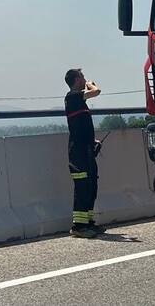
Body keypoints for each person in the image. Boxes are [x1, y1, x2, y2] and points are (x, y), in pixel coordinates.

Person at [64, 68, 102, 238]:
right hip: (78, 154)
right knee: (82, 187)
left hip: (86, 150)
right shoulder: (72, 97)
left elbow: (80, 126)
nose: (85, 79)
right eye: (83, 77)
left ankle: (88, 223)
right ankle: (78, 226)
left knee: (91, 186)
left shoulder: (79, 102)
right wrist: (91, 84)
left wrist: (92, 141)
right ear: (77, 79)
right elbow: (96, 91)